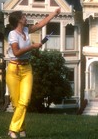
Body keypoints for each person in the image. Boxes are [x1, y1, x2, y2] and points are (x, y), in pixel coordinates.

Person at [6, 8, 61, 138]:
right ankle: (22, 127)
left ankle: (13, 129)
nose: (26, 17)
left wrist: (54, 13)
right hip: (13, 69)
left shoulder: (26, 30)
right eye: (24, 16)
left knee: (24, 101)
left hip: (26, 69)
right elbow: (16, 53)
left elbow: (41, 24)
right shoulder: (12, 34)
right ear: (19, 20)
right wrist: (32, 46)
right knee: (16, 103)